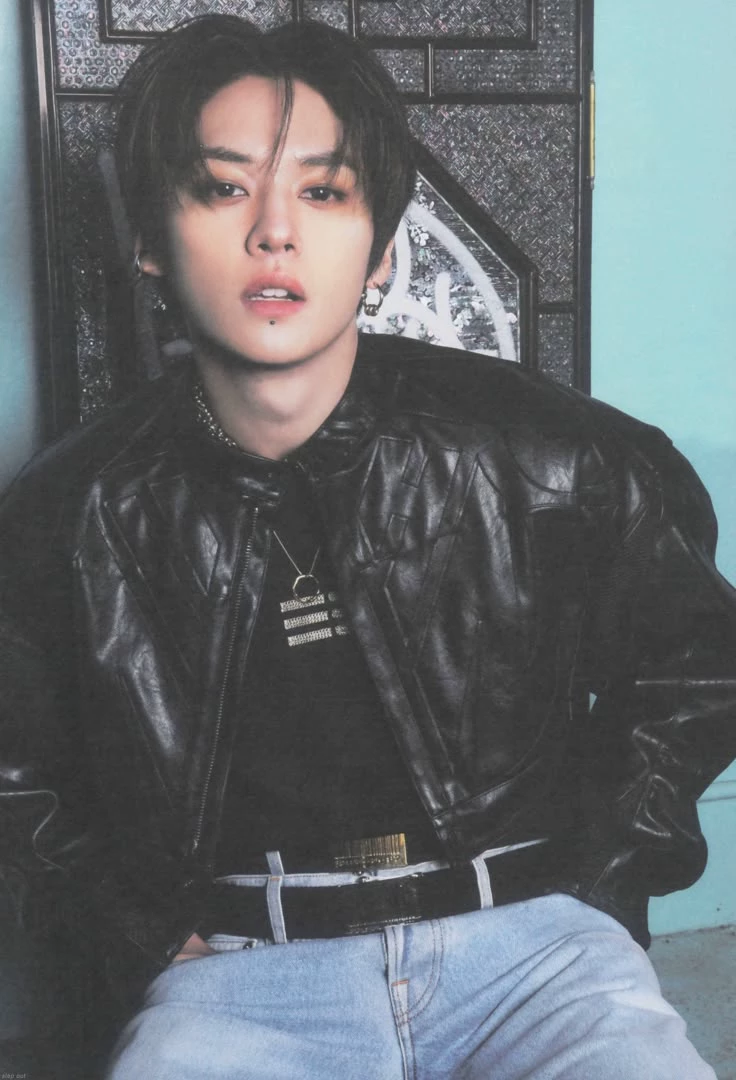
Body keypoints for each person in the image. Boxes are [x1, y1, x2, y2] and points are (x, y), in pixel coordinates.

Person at [0, 14, 734, 1079]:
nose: (274, 232)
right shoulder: (72, 511)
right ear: (151, 239)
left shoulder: (547, 453)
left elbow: (701, 660)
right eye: (222, 188)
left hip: (533, 949)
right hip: (242, 977)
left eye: (324, 191)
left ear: (383, 249)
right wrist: (137, 925)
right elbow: (18, 765)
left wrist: (607, 870)